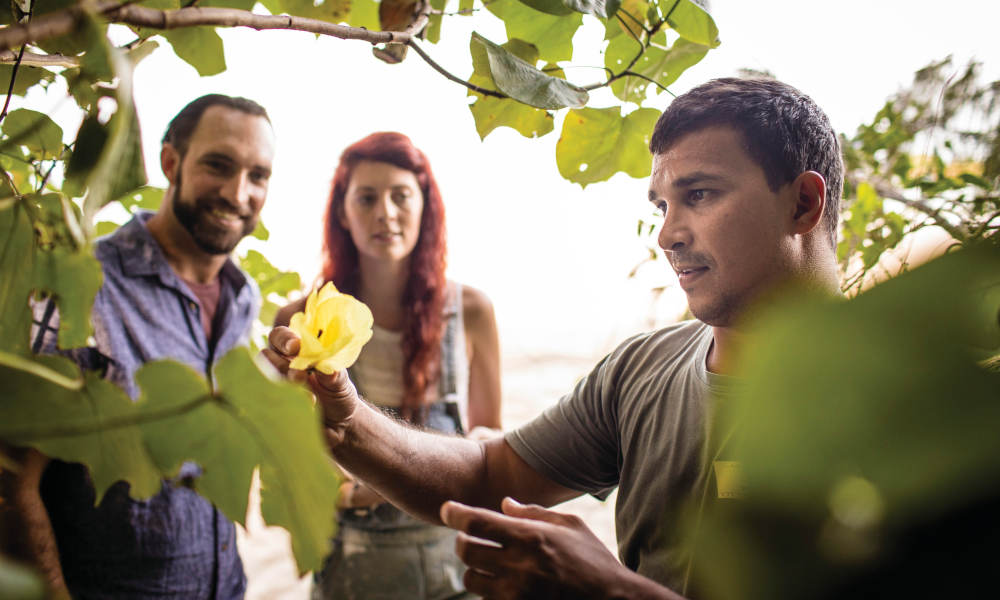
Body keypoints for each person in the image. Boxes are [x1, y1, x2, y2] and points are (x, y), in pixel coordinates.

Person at [264, 77, 843, 599]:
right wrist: (349, 424)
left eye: (700, 195)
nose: (667, 234)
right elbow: (488, 475)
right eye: (663, 205)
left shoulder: (889, 402)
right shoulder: (641, 369)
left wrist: (610, 590)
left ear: (803, 203)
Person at [10, 93, 275, 598]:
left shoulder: (244, 298)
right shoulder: (85, 286)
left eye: (257, 175)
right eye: (218, 165)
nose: (237, 192)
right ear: (171, 162)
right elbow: (13, 482)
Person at [274, 131, 502, 599]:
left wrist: (450, 462)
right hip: (351, 569)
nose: (385, 212)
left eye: (401, 195)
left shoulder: (471, 310)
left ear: (425, 206)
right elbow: (290, 457)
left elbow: (490, 439)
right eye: (366, 197)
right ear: (342, 212)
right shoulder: (300, 319)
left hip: (454, 568)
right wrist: (352, 490)